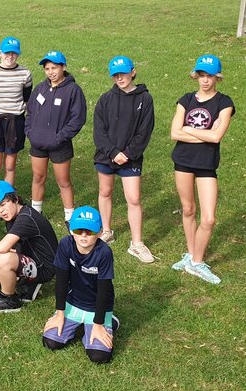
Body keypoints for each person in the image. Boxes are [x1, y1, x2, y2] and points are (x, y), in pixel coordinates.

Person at [169, 54, 235, 284]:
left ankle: (196, 263)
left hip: (207, 165)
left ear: (217, 77)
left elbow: (217, 136)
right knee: (188, 210)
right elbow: (174, 133)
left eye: (209, 76)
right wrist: (203, 135)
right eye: (201, 75)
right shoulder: (186, 100)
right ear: (195, 75)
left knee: (208, 219)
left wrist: (189, 129)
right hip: (183, 162)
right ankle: (191, 255)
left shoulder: (224, 103)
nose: (205, 80)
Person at [93, 55, 156, 262]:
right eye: (116, 75)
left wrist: (128, 154)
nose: (120, 78)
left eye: (123, 73)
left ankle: (137, 243)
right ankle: (107, 231)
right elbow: (99, 132)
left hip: (131, 158)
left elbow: (144, 131)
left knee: (134, 198)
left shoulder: (145, 99)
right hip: (107, 156)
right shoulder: (105, 99)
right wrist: (112, 152)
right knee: (105, 191)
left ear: (133, 72)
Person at [42, 206, 118, 364]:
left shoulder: (104, 252)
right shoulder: (65, 244)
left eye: (89, 231)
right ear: (70, 229)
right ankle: (78, 324)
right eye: (78, 230)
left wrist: (98, 324)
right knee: (51, 342)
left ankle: (109, 321)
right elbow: (61, 281)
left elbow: (104, 290)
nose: (83, 236)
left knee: (99, 356)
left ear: (99, 232)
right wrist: (60, 314)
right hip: (73, 303)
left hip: (97, 306)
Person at [0, 181, 59, 311]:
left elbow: (3, 247)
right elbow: (15, 247)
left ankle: (9, 299)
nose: (1, 210)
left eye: (3, 204)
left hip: (44, 268)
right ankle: (18, 281)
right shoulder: (11, 218)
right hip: (29, 262)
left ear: (15, 199)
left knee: (3, 258)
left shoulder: (26, 217)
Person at [25, 50, 86, 223]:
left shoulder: (73, 90)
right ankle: (36, 213)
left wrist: (60, 138)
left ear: (63, 67)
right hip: (38, 143)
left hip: (60, 145)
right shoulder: (41, 88)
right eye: (47, 69)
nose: (51, 72)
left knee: (63, 181)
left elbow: (78, 119)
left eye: (54, 68)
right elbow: (29, 112)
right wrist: (30, 131)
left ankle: (69, 217)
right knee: (38, 177)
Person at [0, 37, 33, 187]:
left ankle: (7, 197)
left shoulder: (25, 73)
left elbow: (26, 98)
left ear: (18, 54)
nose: (10, 56)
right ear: (0, 53)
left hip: (15, 121)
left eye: (14, 53)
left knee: (10, 165)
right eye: (7, 53)